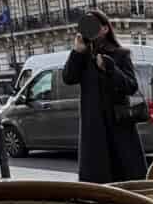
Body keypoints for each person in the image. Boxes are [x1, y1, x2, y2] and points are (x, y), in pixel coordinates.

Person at [62, 10, 144, 183]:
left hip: (118, 124)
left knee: (125, 175)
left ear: (105, 29)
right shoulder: (82, 56)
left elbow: (131, 86)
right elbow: (68, 78)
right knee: (97, 178)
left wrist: (111, 68)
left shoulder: (121, 54)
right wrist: (77, 51)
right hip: (93, 127)